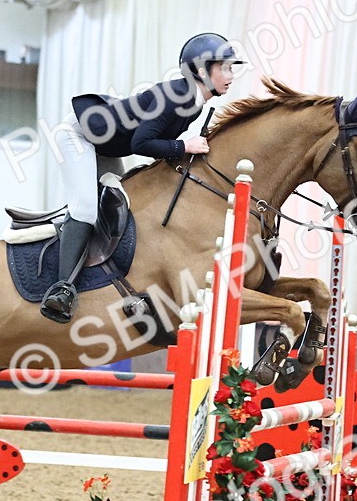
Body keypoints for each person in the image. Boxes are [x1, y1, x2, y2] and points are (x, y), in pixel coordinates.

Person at [40, 32, 245, 323]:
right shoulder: (179, 97)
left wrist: (180, 149)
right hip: (79, 134)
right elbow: (141, 144)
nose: (231, 75)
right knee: (86, 208)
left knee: (127, 205)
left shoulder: (194, 102)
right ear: (201, 71)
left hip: (105, 142)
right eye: (224, 68)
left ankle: (110, 280)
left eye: (231, 68)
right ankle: (62, 289)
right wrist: (183, 146)